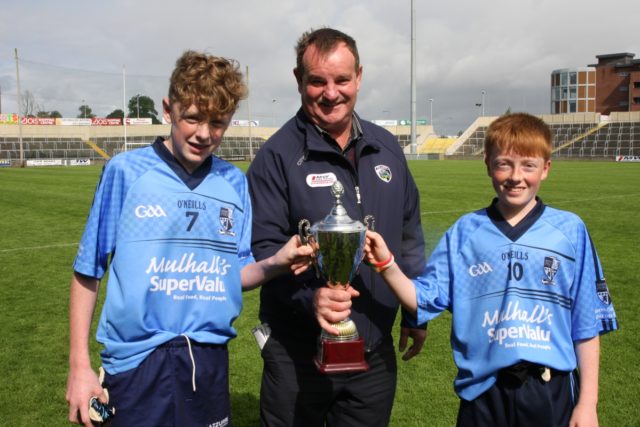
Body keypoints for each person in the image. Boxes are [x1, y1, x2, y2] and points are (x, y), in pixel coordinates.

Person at [65, 50, 313, 427]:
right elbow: (88, 270)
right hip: (136, 366)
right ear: (169, 109)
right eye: (193, 118)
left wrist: (276, 262)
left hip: (209, 362)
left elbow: (237, 272)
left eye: (218, 123)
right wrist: (79, 365)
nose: (204, 133)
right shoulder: (126, 173)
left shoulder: (233, 183)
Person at [364, 112, 619, 427]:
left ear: (546, 168)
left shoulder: (569, 231)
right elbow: (423, 299)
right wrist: (386, 264)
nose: (516, 176)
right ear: (488, 164)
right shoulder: (465, 232)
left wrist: (588, 403)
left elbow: (586, 325)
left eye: (528, 165)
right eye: (504, 164)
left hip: (550, 391)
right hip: (483, 395)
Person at [246, 27, 427, 426]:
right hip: (297, 355)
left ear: (358, 77)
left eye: (342, 80)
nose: (331, 93)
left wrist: (416, 311)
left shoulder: (386, 147)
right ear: (298, 80)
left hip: (373, 354)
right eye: (317, 81)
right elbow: (263, 250)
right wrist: (310, 299)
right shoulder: (277, 157)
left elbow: (410, 233)